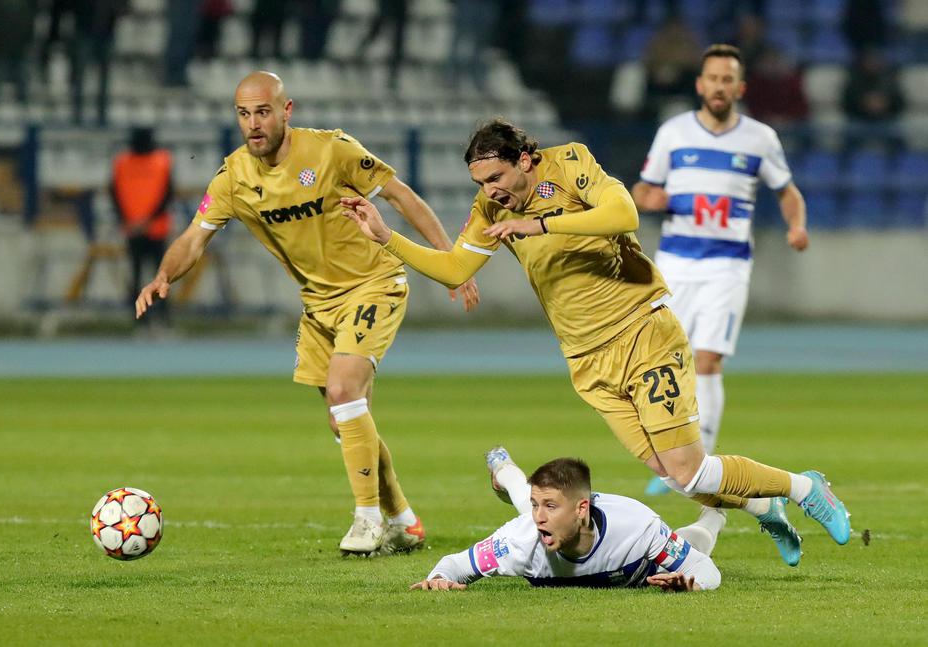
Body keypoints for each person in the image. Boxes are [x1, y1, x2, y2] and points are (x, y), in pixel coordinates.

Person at [341, 117, 851, 569]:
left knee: (686, 468)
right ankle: (762, 504)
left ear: (524, 160)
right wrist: (388, 237)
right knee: (674, 475)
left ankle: (805, 488)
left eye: (496, 178)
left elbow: (623, 212)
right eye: (480, 183)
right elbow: (455, 267)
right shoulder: (491, 210)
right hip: (586, 359)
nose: (490, 191)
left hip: (641, 331)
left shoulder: (570, 164)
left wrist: (538, 223)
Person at [135, 71, 480, 555]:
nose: (253, 124)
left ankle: (367, 521)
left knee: (343, 390)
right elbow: (194, 237)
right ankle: (403, 518)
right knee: (346, 418)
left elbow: (400, 194)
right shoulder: (234, 176)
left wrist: (451, 261)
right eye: (243, 114)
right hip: (318, 305)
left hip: (373, 284)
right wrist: (164, 276)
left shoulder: (331, 150)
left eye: (262, 112)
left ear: (286, 110)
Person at [631, 44, 809, 502]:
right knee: (671, 361)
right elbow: (643, 190)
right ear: (700, 84)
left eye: (728, 79)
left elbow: (787, 191)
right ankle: (674, 459)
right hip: (674, 263)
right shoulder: (674, 133)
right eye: (712, 78)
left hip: (727, 266)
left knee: (708, 360)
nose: (719, 86)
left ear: (739, 88)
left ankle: (699, 461)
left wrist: (797, 226)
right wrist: (656, 200)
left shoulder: (759, 138)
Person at [411, 451, 723, 592]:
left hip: (638, 551)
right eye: (538, 506)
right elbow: (454, 565)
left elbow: (704, 569)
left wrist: (691, 584)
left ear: (581, 508)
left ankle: (715, 513)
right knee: (526, 504)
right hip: (563, 523)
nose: (539, 517)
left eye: (548, 506)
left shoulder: (638, 527)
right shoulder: (520, 540)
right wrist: (438, 578)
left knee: (696, 542)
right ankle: (504, 468)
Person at [111, 126, 174, 327]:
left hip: (144, 228)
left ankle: (154, 317)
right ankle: (147, 317)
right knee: (150, 275)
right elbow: (168, 194)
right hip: (148, 227)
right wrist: (142, 221)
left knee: (153, 275)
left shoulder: (124, 162)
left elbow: (167, 194)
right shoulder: (160, 160)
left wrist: (131, 221)